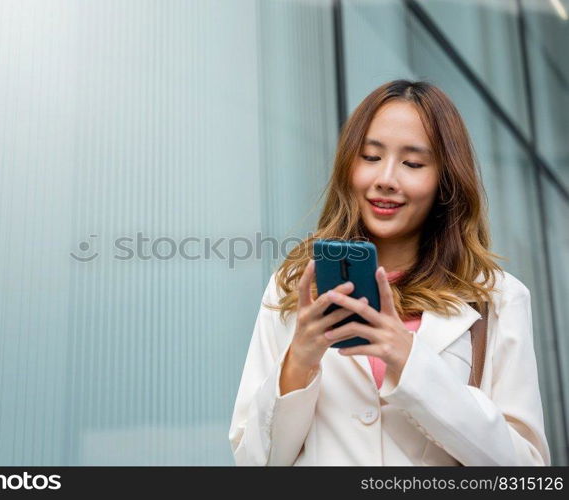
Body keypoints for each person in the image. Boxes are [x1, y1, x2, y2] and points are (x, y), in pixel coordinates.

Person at [228, 79, 551, 466]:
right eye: (370, 157)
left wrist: (410, 361)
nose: (386, 178)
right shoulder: (295, 288)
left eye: (413, 163)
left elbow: (527, 469)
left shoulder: (497, 297)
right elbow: (253, 463)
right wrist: (299, 362)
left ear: (445, 180)